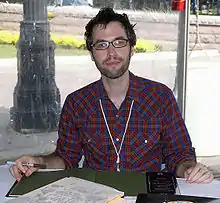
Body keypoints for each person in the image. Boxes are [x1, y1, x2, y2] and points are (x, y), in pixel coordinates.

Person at [10, 7, 214, 184]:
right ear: (92, 54)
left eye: (118, 42)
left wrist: (189, 169)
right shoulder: (77, 103)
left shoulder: (160, 97)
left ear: (131, 48)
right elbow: (66, 158)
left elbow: (179, 155)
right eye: (102, 45)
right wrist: (40, 162)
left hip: (148, 193)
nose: (111, 53)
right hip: (95, 194)